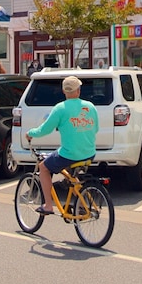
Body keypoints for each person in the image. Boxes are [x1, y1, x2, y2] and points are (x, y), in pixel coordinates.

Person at [24, 76, 99, 215]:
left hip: (69, 154)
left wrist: (30, 133)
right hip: (89, 152)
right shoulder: (90, 106)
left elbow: (45, 129)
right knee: (71, 173)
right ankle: (81, 203)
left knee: (44, 168)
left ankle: (47, 205)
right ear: (78, 90)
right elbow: (96, 128)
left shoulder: (60, 108)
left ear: (64, 91)